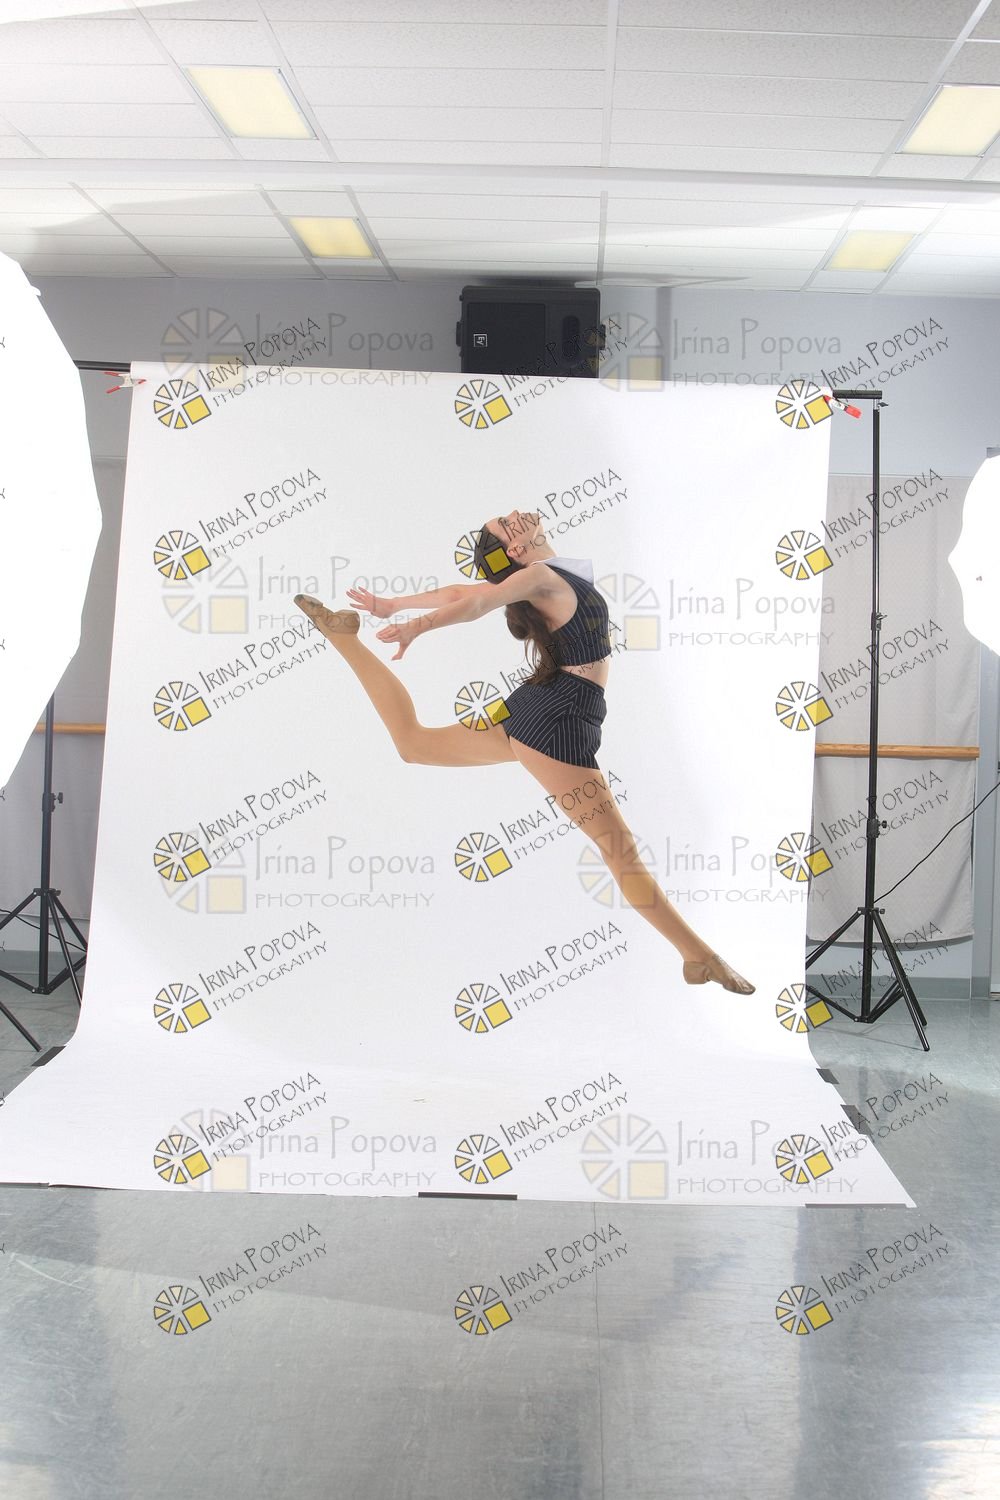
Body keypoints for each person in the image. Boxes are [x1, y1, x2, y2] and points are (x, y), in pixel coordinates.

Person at [295, 509, 753, 993]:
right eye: (506, 523)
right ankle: (698, 957)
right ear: (515, 550)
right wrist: (416, 626)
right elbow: (474, 603)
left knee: (413, 743)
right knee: (618, 849)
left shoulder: (550, 576)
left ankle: (343, 639)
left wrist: (392, 605)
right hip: (556, 721)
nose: (515, 514)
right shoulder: (540, 577)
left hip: (542, 707)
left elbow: (461, 593)